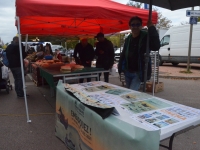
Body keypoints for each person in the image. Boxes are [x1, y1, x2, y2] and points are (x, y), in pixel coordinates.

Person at [118, 16, 160, 91]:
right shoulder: (128, 39)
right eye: (133, 25)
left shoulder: (146, 37)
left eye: (137, 24)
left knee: (131, 93)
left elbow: (156, 46)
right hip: (127, 71)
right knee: (128, 93)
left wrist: (151, 28)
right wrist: (120, 67)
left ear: (141, 26)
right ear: (130, 26)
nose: (135, 27)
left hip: (138, 72)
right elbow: (123, 54)